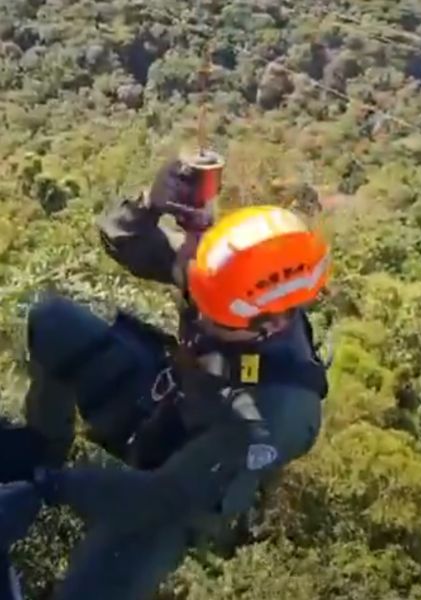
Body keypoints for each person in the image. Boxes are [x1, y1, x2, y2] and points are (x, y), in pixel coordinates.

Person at [0, 156, 330, 599]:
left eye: (213, 314)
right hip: (166, 400)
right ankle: (44, 445)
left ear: (269, 326)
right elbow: (123, 239)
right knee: (53, 321)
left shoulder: (276, 414)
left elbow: (160, 497)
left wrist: (48, 489)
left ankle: (50, 478)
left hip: (191, 481)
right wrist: (149, 203)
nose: (200, 312)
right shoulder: (227, 285)